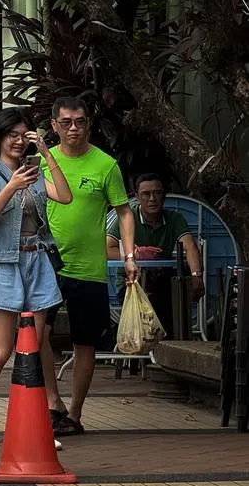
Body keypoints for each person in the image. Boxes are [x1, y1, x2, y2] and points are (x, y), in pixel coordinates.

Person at [0, 108, 73, 446]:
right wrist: (11, 186)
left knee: (34, 346)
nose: (20, 141)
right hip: (4, 263)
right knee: (3, 349)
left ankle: (34, 424)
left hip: (37, 258)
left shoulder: (34, 171)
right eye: (13, 135)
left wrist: (48, 154)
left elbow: (65, 196)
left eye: (25, 136)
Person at [42, 97, 139, 437]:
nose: (73, 128)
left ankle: (75, 413)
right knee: (36, 335)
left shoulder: (105, 164)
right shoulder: (41, 161)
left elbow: (124, 211)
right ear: (54, 125)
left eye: (80, 121)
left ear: (88, 124)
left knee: (85, 343)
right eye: (66, 122)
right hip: (46, 265)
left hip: (88, 268)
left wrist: (128, 256)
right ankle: (53, 401)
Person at [107, 173, 204, 338]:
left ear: (164, 196)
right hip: (130, 283)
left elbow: (190, 246)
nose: (152, 199)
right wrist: (133, 254)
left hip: (162, 281)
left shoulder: (174, 218)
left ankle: (175, 343)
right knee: (152, 310)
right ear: (137, 197)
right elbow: (106, 248)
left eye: (157, 193)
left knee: (178, 295)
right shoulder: (127, 218)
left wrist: (196, 275)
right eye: (146, 194)